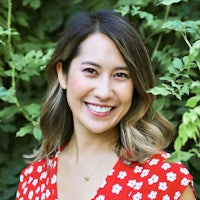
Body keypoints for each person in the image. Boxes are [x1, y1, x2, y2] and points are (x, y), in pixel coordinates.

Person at [16, 10, 196, 200]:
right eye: (91, 70)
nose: (103, 92)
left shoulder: (165, 181)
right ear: (63, 74)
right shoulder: (33, 180)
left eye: (121, 75)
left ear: (136, 85)